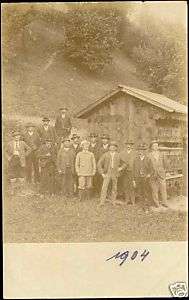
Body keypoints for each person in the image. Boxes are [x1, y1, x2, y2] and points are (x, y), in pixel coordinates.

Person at [97, 141, 126, 207]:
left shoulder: (118, 155)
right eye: (111, 146)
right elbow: (99, 164)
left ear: (116, 148)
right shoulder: (105, 154)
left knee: (114, 188)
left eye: (114, 147)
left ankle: (113, 201)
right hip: (107, 173)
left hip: (115, 173)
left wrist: (120, 168)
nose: (112, 148)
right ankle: (102, 202)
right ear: (109, 147)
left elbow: (124, 163)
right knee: (104, 187)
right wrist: (102, 173)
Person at [148, 140, 169, 209]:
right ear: (151, 147)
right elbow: (147, 165)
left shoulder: (162, 154)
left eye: (157, 145)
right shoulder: (149, 155)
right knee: (154, 189)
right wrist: (148, 173)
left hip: (161, 174)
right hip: (152, 174)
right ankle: (156, 203)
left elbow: (166, 164)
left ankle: (165, 203)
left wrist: (167, 172)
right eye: (154, 146)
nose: (156, 147)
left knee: (163, 189)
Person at [133, 144, 151, 213]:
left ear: (144, 151)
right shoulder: (135, 159)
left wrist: (149, 175)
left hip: (145, 179)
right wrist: (134, 180)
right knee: (139, 193)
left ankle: (146, 208)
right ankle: (140, 207)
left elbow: (151, 169)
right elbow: (134, 170)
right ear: (138, 151)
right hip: (138, 178)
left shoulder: (148, 159)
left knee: (145, 193)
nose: (141, 151)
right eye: (140, 150)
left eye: (142, 150)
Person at [120, 140, 136, 205]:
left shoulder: (135, 153)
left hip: (132, 172)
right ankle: (127, 200)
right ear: (126, 145)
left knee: (132, 186)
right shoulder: (122, 153)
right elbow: (120, 162)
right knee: (125, 186)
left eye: (130, 145)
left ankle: (133, 201)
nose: (129, 146)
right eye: (127, 145)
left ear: (132, 146)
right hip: (124, 172)